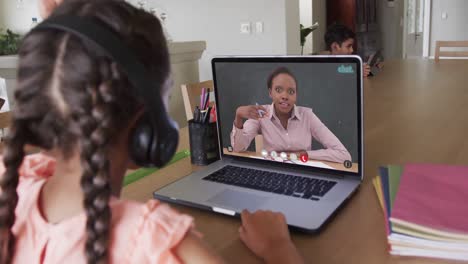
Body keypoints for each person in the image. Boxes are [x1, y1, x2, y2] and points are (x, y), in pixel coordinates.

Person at [0, 0, 305, 263]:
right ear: (149, 131)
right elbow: (240, 144)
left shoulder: (15, 185)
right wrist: (278, 248)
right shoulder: (153, 242)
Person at [231, 67, 351, 164]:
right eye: (278, 90)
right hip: (272, 171)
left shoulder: (307, 116)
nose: (285, 96)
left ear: (296, 95)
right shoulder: (261, 114)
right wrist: (239, 117)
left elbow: (343, 155)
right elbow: (238, 148)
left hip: (303, 171)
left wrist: (302, 155)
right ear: (270, 93)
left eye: (291, 92)